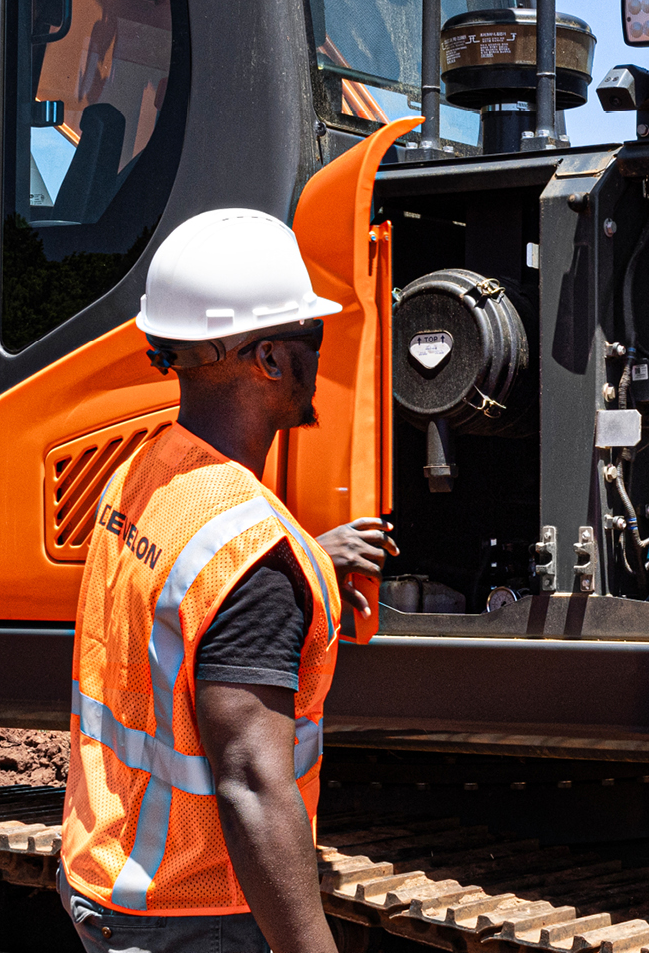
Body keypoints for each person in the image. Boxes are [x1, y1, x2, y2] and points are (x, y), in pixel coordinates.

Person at [58, 208, 398, 953]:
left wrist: (302, 558)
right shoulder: (252, 558)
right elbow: (251, 783)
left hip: (105, 868)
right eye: (313, 338)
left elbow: (185, 604)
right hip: (190, 907)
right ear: (271, 359)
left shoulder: (142, 473)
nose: (320, 358)